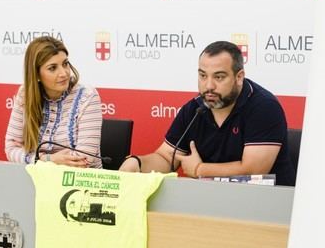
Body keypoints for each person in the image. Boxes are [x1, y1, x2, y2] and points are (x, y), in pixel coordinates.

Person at [119, 40, 295, 185]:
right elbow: (166, 157)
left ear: (239, 77)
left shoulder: (264, 107)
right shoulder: (195, 109)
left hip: (269, 206)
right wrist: (138, 163)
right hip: (211, 203)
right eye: (203, 76)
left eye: (219, 77)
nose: (208, 85)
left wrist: (199, 169)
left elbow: (254, 170)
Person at [5, 36, 102, 168]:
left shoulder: (87, 96)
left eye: (65, 64)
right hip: (36, 181)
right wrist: (47, 159)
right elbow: (11, 149)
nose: (64, 73)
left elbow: (83, 160)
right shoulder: (25, 95)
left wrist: (39, 161)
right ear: (36, 74)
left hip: (80, 184)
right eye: (52, 68)